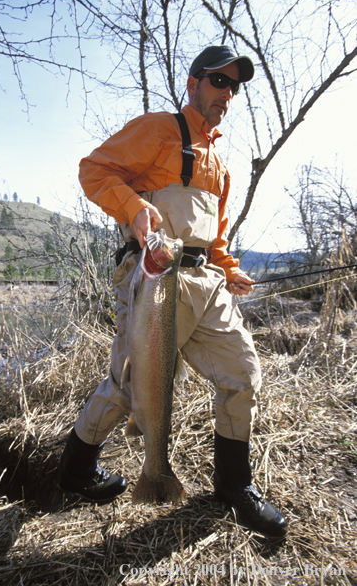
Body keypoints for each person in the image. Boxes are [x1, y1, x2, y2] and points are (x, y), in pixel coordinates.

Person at [59, 45, 287, 539]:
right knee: (128, 386)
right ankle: (74, 471)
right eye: (218, 81)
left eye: (234, 86)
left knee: (243, 374)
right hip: (156, 280)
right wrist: (133, 206)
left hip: (208, 287)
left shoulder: (220, 164)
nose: (227, 94)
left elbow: (216, 238)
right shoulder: (159, 128)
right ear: (194, 84)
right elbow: (93, 170)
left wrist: (229, 268)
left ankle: (232, 487)